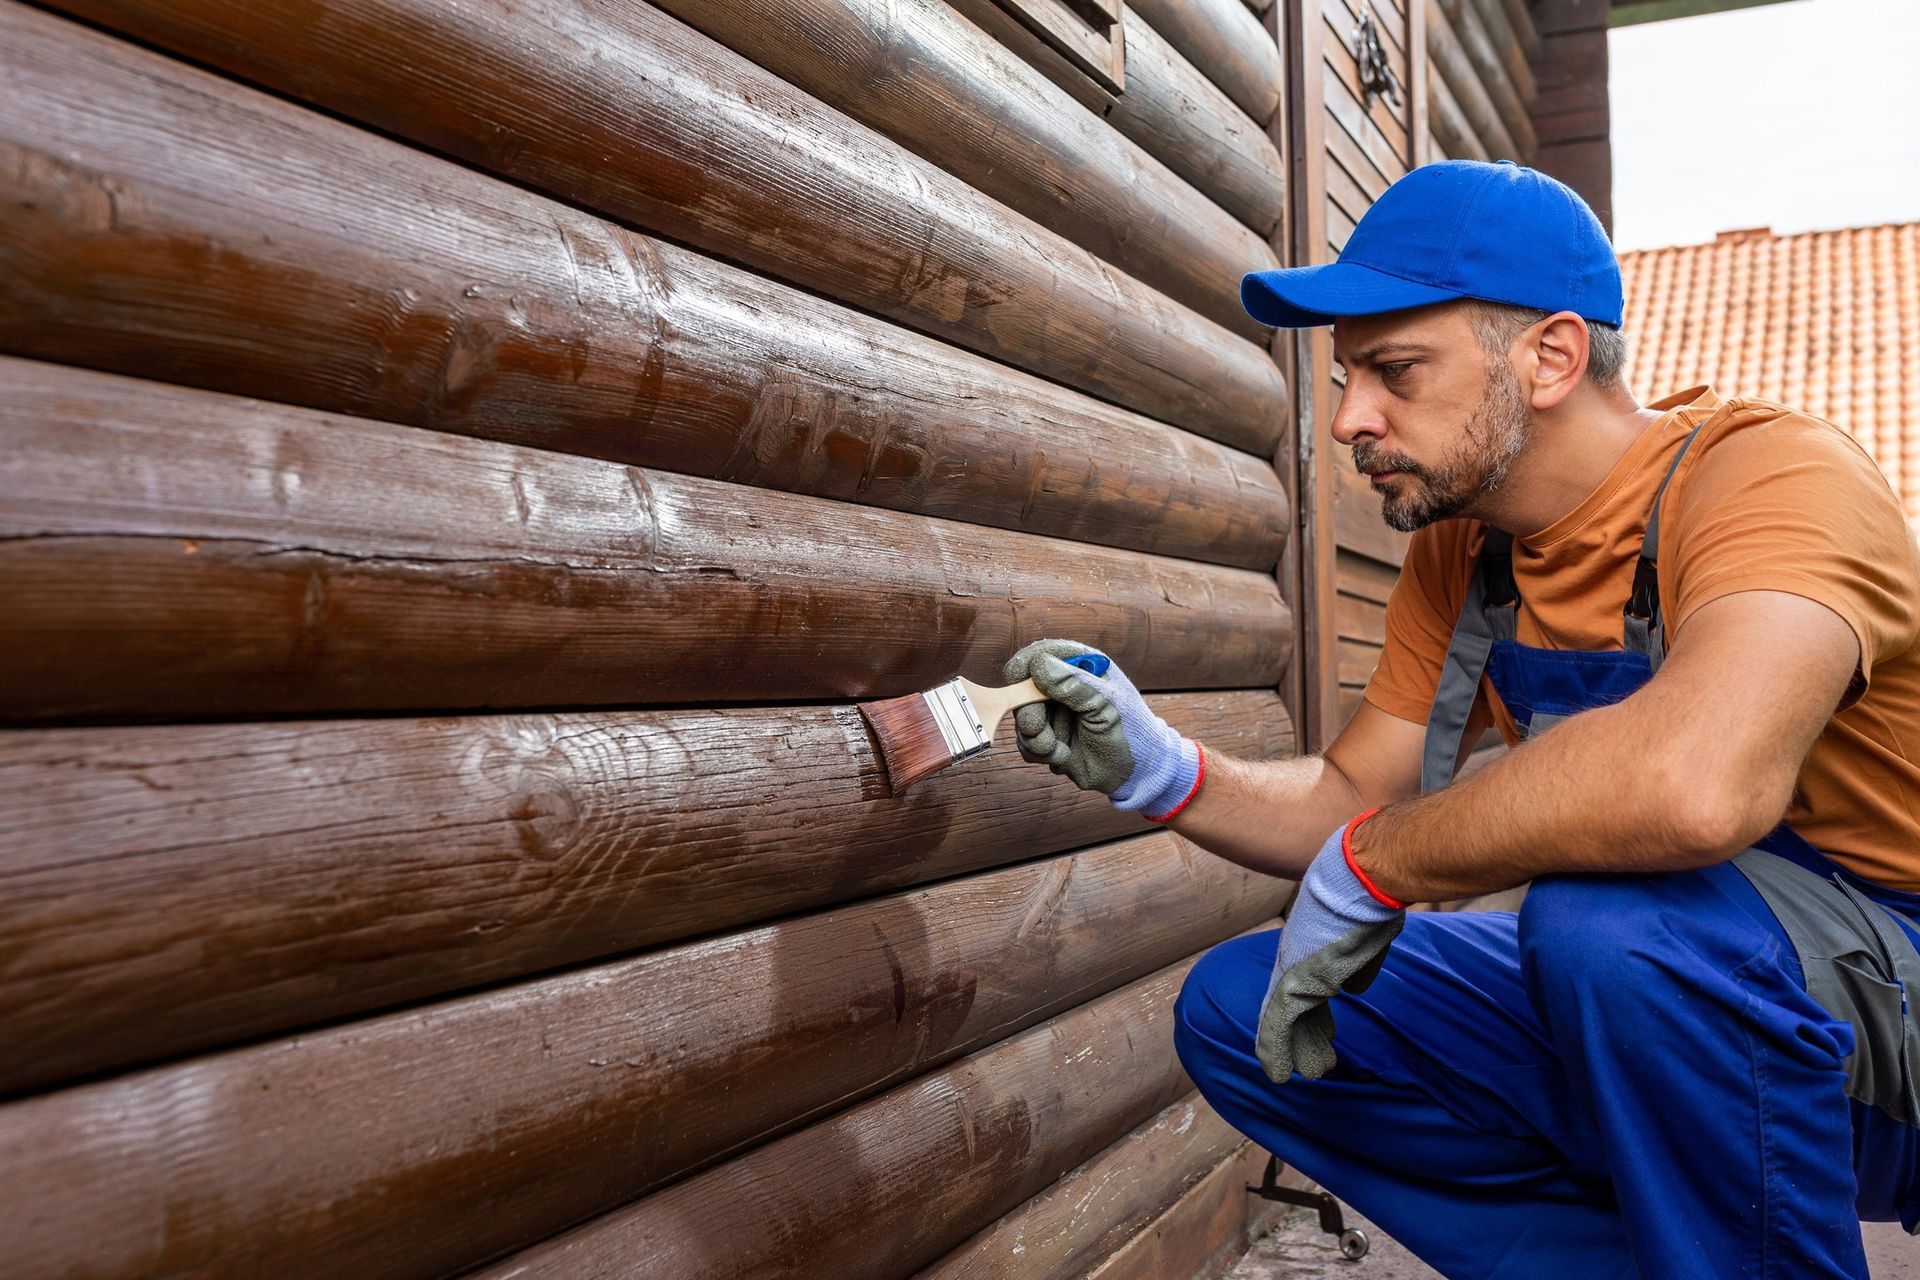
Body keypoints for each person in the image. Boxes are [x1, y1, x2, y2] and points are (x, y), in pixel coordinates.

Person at [1003, 160, 1920, 1278]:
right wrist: (1168, 771)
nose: (1349, 418)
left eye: (1392, 370)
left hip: (1887, 1014)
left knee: (1606, 929)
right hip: (1694, 1005)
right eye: (1346, 378)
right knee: (1241, 1007)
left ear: (1551, 356)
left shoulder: (1769, 478)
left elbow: (1695, 783)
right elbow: (1354, 799)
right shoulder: (1464, 554)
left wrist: (1380, 862)